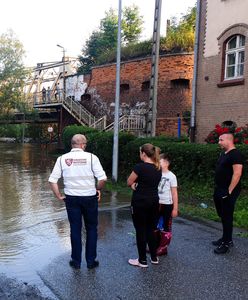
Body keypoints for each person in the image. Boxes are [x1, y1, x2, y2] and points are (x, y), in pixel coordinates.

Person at [48, 134, 107, 269]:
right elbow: (103, 178)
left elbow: (52, 180)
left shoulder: (62, 159)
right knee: (91, 228)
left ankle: (76, 262)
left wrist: (58, 195)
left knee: (75, 228)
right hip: (89, 198)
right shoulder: (92, 158)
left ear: (72, 144)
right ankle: (91, 262)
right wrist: (97, 189)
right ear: (83, 145)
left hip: (71, 199)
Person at [127, 143, 162, 268]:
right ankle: (154, 257)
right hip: (154, 201)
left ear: (143, 153)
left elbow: (129, 181)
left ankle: (142, 260)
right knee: (151, 229)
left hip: (140, 201)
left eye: (140, 153)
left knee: (140, 230)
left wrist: (133, 185)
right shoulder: (159, 168)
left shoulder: (139, 167)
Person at [213, 133, 244, 254]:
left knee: (227, 216)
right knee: (222, 214)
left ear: (229, 140)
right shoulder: (223, 153)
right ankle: (227, 238)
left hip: (228, 190)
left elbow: (237, 173)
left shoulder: (235, 154)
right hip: (219, 188)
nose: (219, 142)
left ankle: (226, 243)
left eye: (221, 140)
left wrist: (229, 191)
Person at [156, 154, 178, 256]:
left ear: (166, 163)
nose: (158, 163)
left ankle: (163, 247)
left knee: (166, 226)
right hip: (156, 203)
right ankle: (156, 245)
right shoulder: (156, 173)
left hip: (167, 204)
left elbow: (174, 193)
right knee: (155, 224)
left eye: (159, 161)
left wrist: (175, 208)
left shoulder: (171, 176)